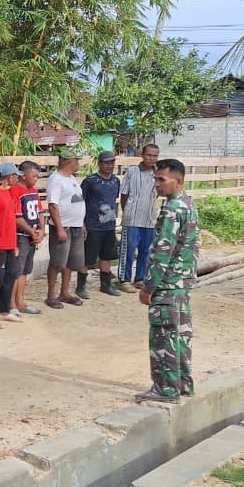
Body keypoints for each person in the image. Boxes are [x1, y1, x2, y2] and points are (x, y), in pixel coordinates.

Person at [137, 158, 199, 403]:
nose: (157, 184)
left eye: (161, 180)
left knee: (164, 338)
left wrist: (149, 287)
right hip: (182, 283)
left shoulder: (172, 209)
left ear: (178, 181)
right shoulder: (187, 204)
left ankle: (166, 389)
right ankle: (183, 384)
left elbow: (163, 252)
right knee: (180, 335)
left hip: (168, 284)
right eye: (155, 179)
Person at [45, 151, 86, 308]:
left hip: (76, 226)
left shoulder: (71, 178)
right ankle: (51, 295)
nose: (78, 164)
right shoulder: (56, 179)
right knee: (57, 262)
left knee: (70, 262)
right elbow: (53, 205)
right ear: (69, 162)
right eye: (76, 161)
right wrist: (60, 228)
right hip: (63, 226)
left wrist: (81, 223)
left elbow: (77, 202)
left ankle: (64, 292)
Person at [0, 162, 23, 326]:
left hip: (9, 242)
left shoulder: (7, 193)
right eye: (15, 176)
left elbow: (10, 220)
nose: (17, 179)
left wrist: (14, 244)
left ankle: (4, 309)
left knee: (10, 275)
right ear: (9, 177)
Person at [80, 151, 122, 297]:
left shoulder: (116, 181)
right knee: (87, 258)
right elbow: (81, 202)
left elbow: (114, 199)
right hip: (92, 225)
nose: (109, 165)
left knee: (107, 256)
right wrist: (82, 224)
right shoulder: (90, 181)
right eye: (106, 162)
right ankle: (81, 287)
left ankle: (106, 285)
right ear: (99, 163)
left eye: (112, 162)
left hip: (109, 225)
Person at [119, 144, 160, 292]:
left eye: (155, 156)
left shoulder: (158, 174)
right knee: (128, 250)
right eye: (149, 155)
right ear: (142, 155)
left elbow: (158, 194)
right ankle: (124, 280)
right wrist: (127, 212)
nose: (151, 158)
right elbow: (124, 194)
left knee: (146, 250)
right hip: (132, 219)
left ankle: (140, 279)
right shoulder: (132, 171)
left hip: (149, 219)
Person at [10, 161, 45, 316]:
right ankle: (11, 303)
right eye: (34, 176)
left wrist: (41, 230)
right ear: (23, 176)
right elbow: (17, 217)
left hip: (32, 235)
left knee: (25, 270)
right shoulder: (15, 191)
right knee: (16, 271)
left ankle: (20, 300)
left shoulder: (34, 191)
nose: (36, 179)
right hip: (20, 235)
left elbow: (40, 212)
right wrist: (31, 231)